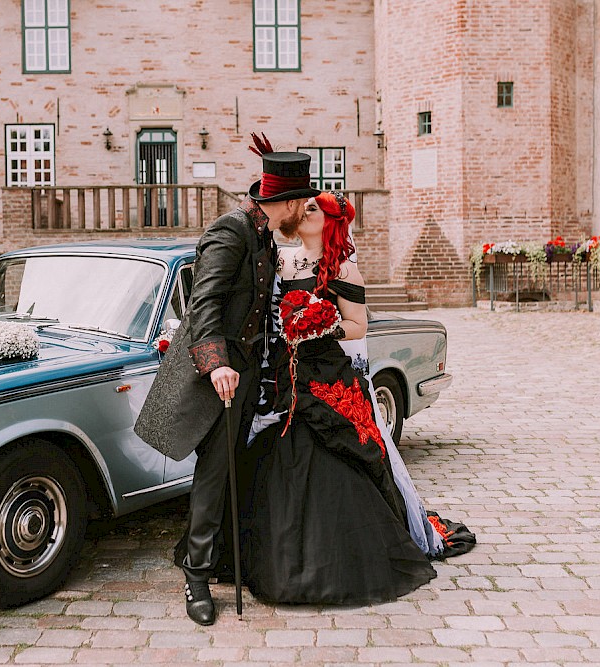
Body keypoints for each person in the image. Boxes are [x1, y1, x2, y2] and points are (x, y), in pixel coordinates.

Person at [239, 192, 475, 606]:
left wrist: (321, 328)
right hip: (283, 376)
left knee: (334, 459)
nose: (302, 212)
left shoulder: (344, 268)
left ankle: (338, 556)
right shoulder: (283, 260)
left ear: (329, 222)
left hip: (326, 377)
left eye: (312, 209)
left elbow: (357, 326)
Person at [134, 137, 319, 626]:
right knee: (214, 477)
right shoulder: (230, 231)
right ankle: (195, 577)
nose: (304, 209)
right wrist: (216, 363)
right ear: (290, 202)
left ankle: (213, 559)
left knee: (229, 470)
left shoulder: (261, 234)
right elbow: (204, 305)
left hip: (245, 377)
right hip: (216, 380)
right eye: (302, 202)